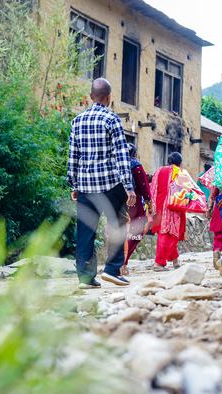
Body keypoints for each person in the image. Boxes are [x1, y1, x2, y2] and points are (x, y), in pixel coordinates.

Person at [67, 78, 136, 289]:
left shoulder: (77, 122)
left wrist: (74, 184)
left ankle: (85, 278)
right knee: (118, 223)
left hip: (86, 186)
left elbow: (73, 156)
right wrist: (129, 186)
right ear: (108, 97)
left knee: (85, 230)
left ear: (90, 97)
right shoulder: (112, 119)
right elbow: (121, 155)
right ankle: (112, 270)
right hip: (110, 184)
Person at [149, 152, 186, 271]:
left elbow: (153, 187)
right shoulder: (180, 172)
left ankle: (175, 262)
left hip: (158, 204)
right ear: (179, 163)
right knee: (169, 234)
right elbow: (184, 191)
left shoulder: (159, 170)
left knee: (165, 232)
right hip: (172, 205)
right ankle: (158, 263)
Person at [122, 143, 155, 276]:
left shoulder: (116, 164)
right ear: (135, 154)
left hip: (117, 204)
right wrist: (150, 206)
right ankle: (123, 264)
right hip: (133, 206)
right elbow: (144, 189)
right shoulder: (136, 166)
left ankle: (116, 263)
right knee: (135, 235)